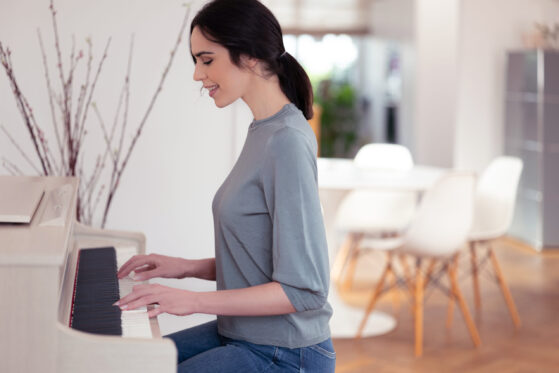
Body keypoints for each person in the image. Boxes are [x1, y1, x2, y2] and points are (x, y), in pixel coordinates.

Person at [115, 0, 334, 371]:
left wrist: (192, 301)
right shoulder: (264, 132)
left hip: (285, 353)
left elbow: (304, 288)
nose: (198, 75)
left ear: (248, 56)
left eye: (207, 59)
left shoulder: (287, 141)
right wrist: (184, 267)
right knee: (128, 362)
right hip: (244, 334)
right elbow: (263, 260)